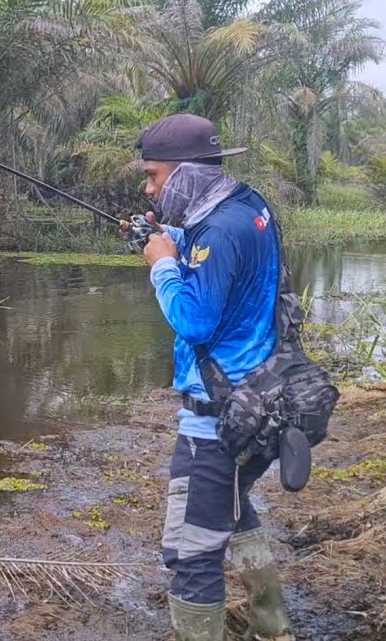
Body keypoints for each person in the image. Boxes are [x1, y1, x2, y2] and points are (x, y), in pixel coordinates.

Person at [127, 113, 294, 641]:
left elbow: (194, 320)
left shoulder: (218, 231)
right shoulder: (248, 207)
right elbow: (219, 252)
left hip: (216, 424)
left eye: (153, 176)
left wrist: (162, 265)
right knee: (236, 511)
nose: (148, 188)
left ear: (186, 174)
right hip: (260, 404)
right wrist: (166, 238)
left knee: (191, 554)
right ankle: (273, 628)